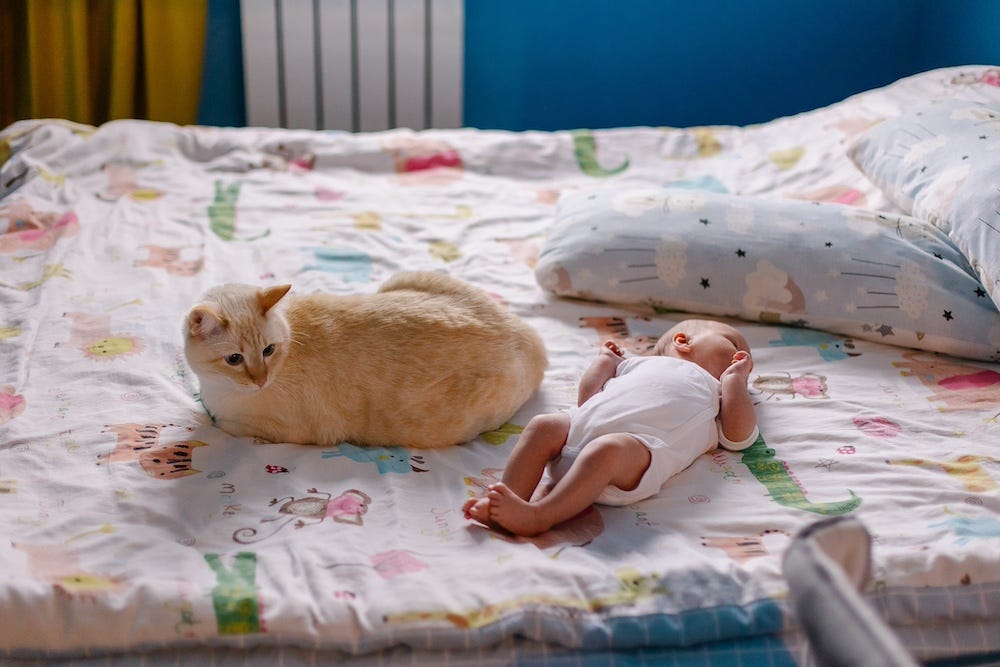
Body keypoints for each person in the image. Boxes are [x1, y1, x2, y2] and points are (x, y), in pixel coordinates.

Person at [462, 318, 759, 536]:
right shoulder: (637, 365)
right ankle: (508, 499)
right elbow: (589, 400)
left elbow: (739, 437)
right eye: (734, 346)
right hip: (579, 434)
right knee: (543, 425)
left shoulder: (717, 394)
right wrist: (604, 363)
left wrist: (734, 383)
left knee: (607, 449)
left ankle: (541, 515)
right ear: (683, 342)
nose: (745, 361)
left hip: (631, 459)